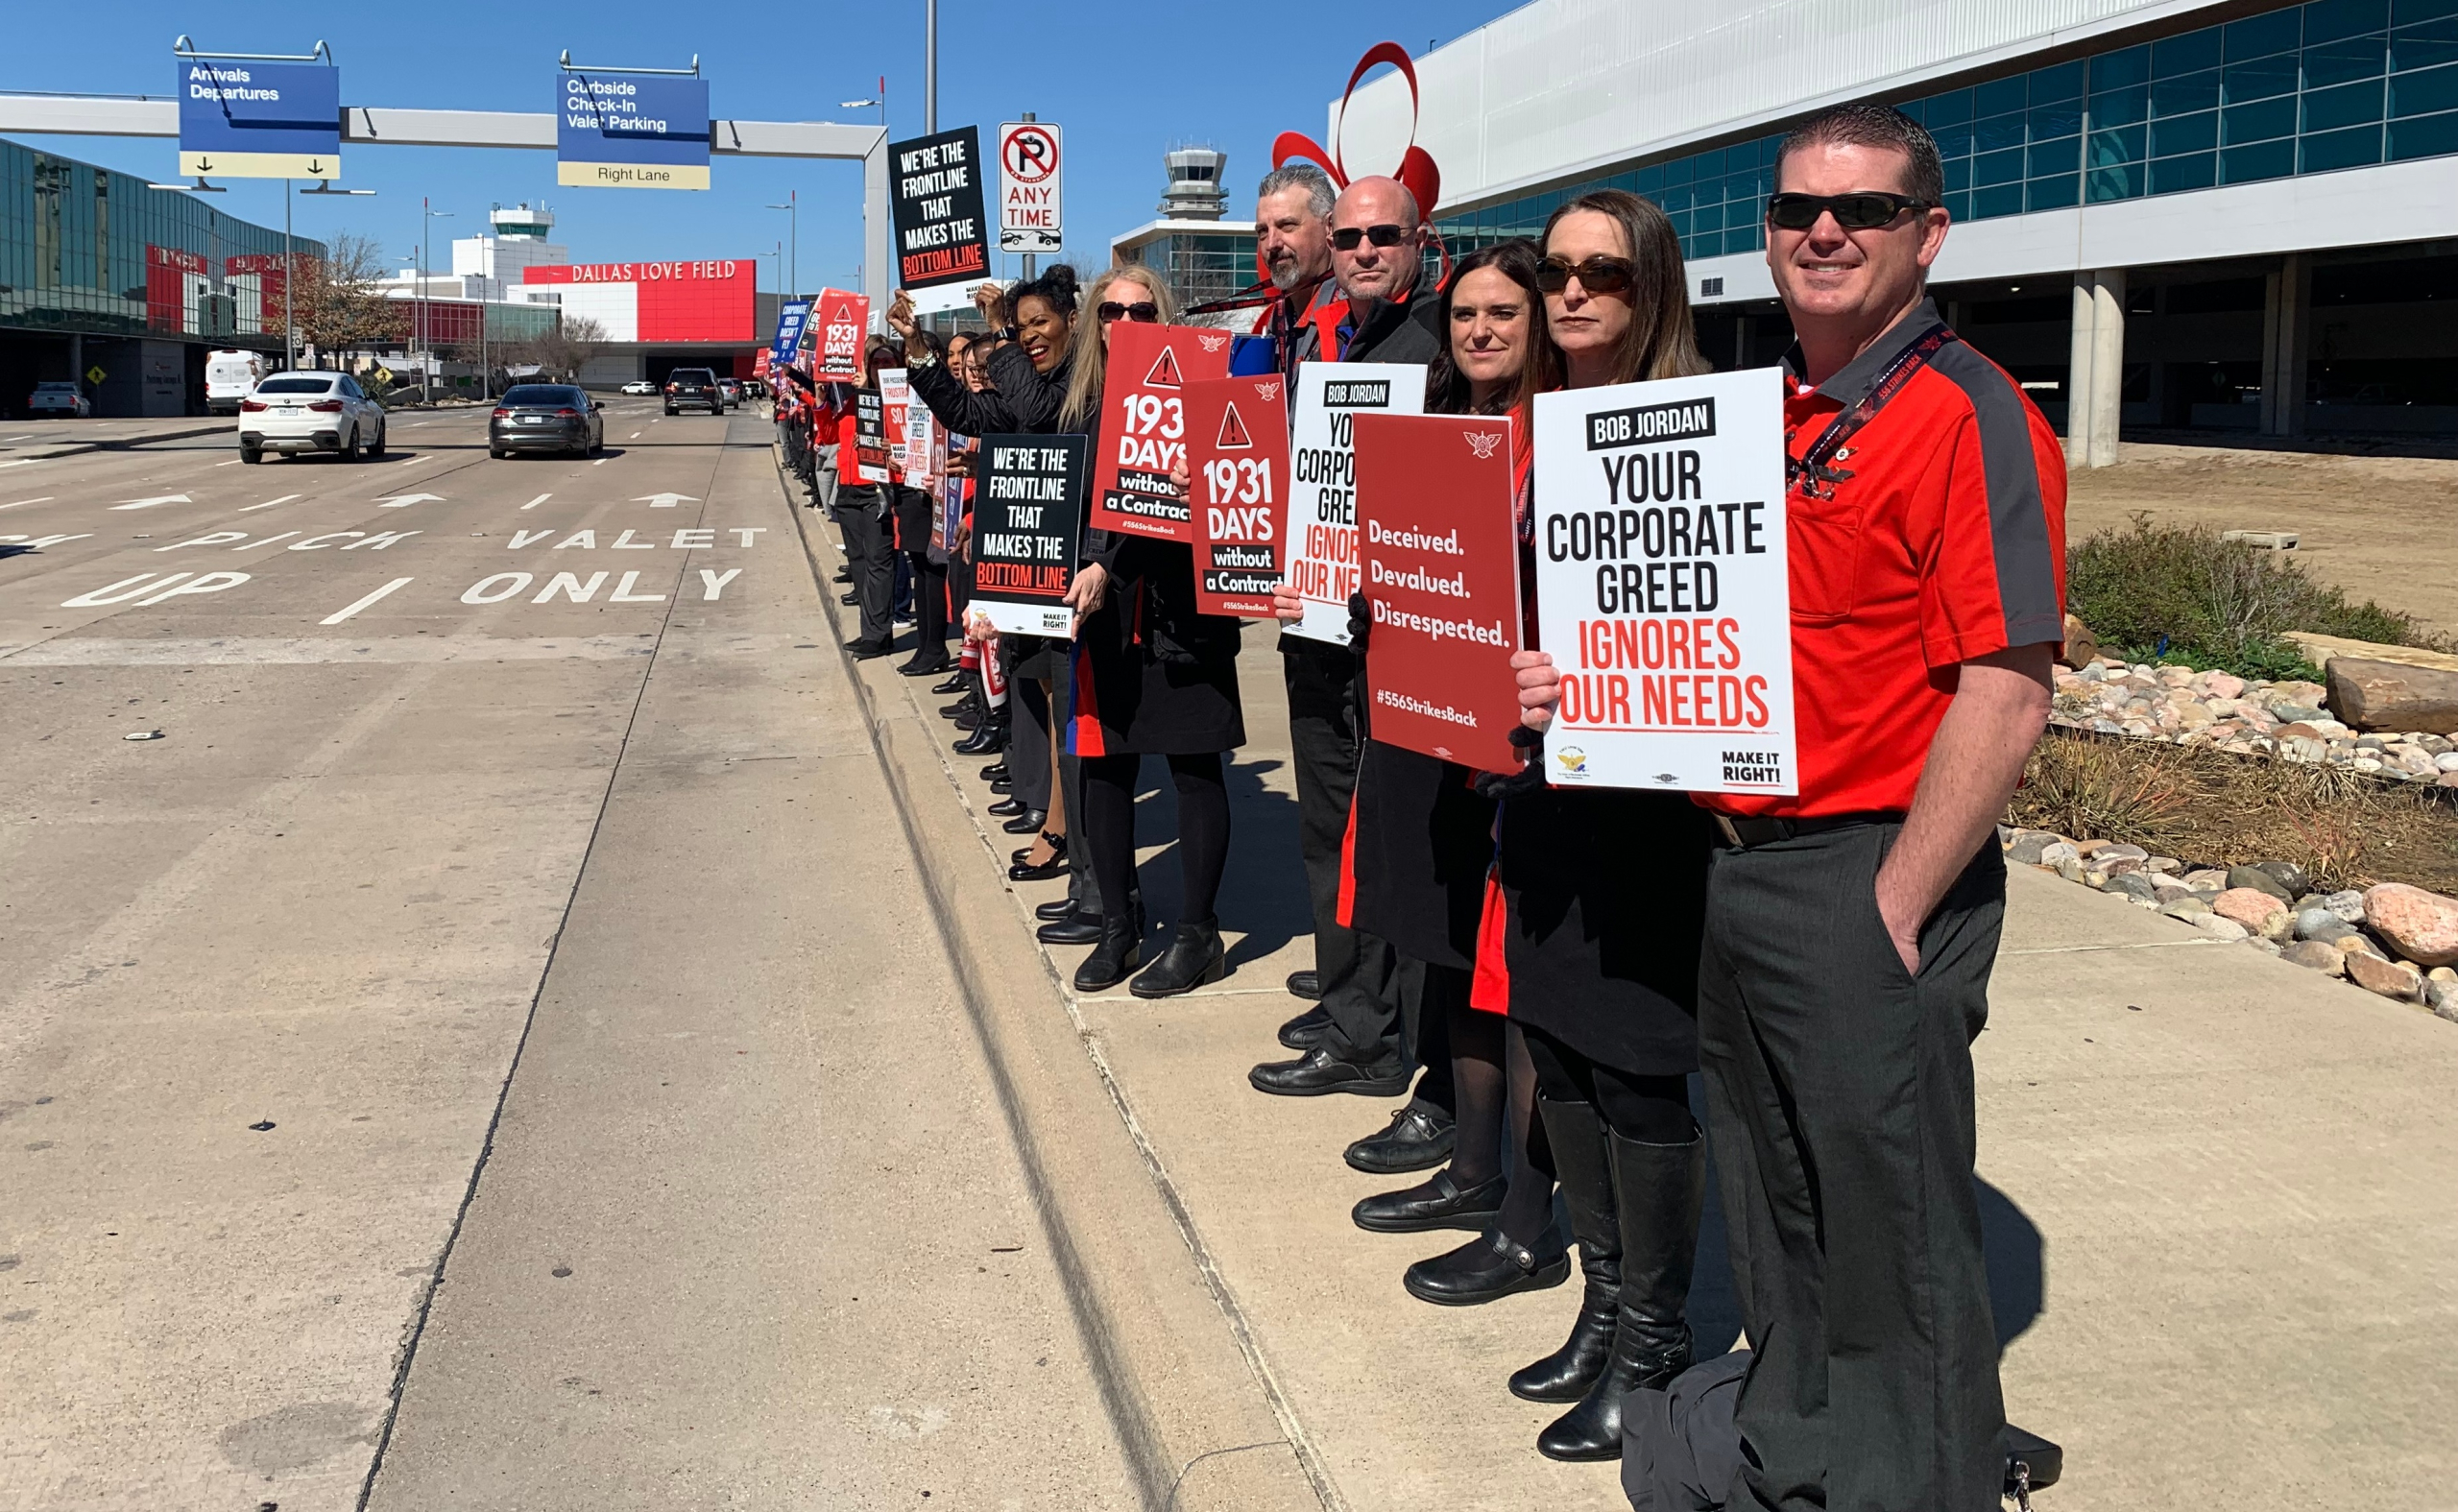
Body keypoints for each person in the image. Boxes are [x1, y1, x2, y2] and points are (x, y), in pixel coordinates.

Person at [1683, 105, 2060, 1512]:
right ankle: (1801, 1462)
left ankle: (1920, 1486)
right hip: (1738, 865)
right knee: (1778, 1204)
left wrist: (1894, 901)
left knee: (1889, 1229)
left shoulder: (1972, 412)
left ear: (1928, 233)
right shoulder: (1752, 411)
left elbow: (2008, 687)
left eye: (1866, 210)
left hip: (1868, 868)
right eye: (1795, 209)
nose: (1824, 231)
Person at [1481, 189, 1722, 1464]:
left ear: (1652, 289)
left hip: (1646, 801)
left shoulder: (1696, 424)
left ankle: (1656, 1340)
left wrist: (1597, 675)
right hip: (1537, 789)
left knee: (1635, 1066)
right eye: (1558, 270)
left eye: (1605, 275)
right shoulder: (1519, 429)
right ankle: (1602, 1299)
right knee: (1559, 1051)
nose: (1573, 292)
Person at [1332, 243, 1566, 1315]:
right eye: (1465, 313)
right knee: (1456, 969)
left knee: (1514, 991)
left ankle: (1526, 1211)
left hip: (1528, 757)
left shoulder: (1561, 441)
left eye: (1501, 313)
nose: (1477, 330)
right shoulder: (1436, 435)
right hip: (1436, 737)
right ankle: (1471, 1170)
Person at [1248, 174, 1456, 1184]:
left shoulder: (1437, 345)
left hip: (1393, 644)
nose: (1368, 249)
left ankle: (1374, 1036)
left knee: (1381, 836)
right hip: (1315, 626)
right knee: (1327, 826)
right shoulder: (1335, 341)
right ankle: (1346, 1004)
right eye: (1357, 235)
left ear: (1417, 240)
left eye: (1385, 234)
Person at [1055, 264, 1245, 998]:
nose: (1125, 324)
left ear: (1161, 318)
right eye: (1111, 311)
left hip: (1181, 612)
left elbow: (1243, 484)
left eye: (1140, 311)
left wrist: (1207, 479)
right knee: (1105, 769)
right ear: (1094, 323)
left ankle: (1198, 934)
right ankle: (1118, 924)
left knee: (1195, 768)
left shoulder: (1201, 391)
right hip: (1102, 619)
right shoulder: (1080, 407)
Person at [894, 330, 954, 679]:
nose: (913, 359)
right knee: (920, 569)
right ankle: (925, 646)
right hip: (914, 489)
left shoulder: (944, 392)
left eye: (922, 353)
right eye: (910, 353)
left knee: (933, 574)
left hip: (937, 491)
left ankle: (935, 648)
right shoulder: (906, 391)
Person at [838, 338, 903, 660]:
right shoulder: (854, 396)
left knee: (879, 564)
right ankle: (873, 630)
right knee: (859, 563)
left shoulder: (899, 398)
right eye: (876, 362)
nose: (882, 368)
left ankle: (877, 635)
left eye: (888, 362)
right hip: (849, 486)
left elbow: (887, 430)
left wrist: (865, 393)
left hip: (877, 489)